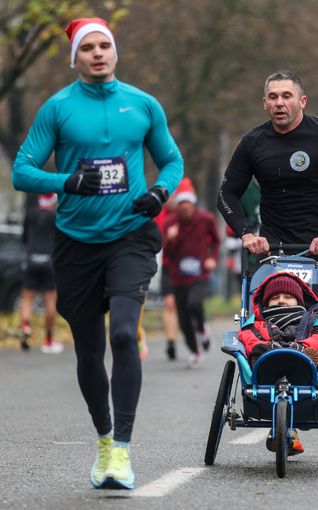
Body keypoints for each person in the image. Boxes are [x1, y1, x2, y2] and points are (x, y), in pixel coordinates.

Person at [11, 18, 183, 489]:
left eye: (104, 45)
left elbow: (171, 159)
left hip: (131, 235)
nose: (97, 53)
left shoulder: (143, 104)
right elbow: (22, 171)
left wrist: (161, 192)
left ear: (115, 51)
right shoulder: (58, 108)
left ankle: (122, 450)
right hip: (75, 244)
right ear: (76, 58)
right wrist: (64, 181)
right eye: (87, 47)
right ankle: (104, 439)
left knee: (125, 335)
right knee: (89, 351)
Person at [217, 70, 318, 263]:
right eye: (273, 97)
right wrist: (246, 235)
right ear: (265, 103)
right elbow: (225, 195)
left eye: (287, 96)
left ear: (302, 101)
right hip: (271, 252)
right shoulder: (251, 142)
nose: (279, 102)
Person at [237, 271, 318, 456]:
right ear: (266, 303)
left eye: (288, 297)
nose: (281, 301)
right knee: (255, 349)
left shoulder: (315, 320)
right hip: (267, 368)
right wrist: (260, 347)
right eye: (274, 297)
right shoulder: (257, 324)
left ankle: (288, 423)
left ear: (300, 302)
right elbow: (246, 336)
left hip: (308, 369)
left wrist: (305, 346)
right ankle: (285, 426)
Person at [163, 180, 221, 367]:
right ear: (177, 205)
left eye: (188, 201)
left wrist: (213, 258)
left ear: (193, 202)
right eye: (181, 202)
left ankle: (203, 327)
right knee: (183, 319)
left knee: (194, 303)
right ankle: (194, 350)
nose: (185, 206)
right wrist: (171, 240)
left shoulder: (206, 219)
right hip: (178, 276)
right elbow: (167, 254)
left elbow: (217, 241)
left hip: (200, 273)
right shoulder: (170, 223)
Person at [20, 193, 61, 353]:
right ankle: (48, 339)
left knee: (27, 298)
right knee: (50, 301)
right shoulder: (54, 217)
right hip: (48, 262)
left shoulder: (30, 214)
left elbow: (24, 238)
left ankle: (25, 326)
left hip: (31, 261)